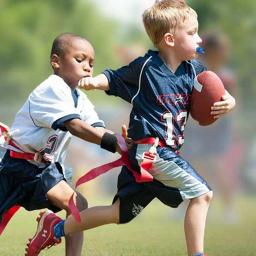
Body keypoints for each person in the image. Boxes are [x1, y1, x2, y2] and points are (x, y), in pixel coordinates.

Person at [26, 1, 236, 256]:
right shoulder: (147, 67)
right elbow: (114, 77)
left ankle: (55, 228)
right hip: (152, 153)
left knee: (119, 214)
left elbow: (220, 94)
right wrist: (94, 82)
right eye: (192, 33)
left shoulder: (194, 71)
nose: (199, 38)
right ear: (170, 39)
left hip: (162, 157)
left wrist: (229, 102)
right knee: (203, 194)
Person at [0, 33, 121, 256]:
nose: (87, 67)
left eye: (91, 63)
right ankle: (48, 223)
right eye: (80, 59)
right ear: (56, 61)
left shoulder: (80, 98)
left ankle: (54, 232)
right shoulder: (52, 87)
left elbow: (97, 128)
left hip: (42, 171)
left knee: (77, 205)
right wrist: (114, 144)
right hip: (14, 167)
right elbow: (75, 126)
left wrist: (124, 142)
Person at [181, 31, 241, 223]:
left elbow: (232, 104)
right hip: (198, 126)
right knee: (194, 166)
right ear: (212, 51)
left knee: (217, 166)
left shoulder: (227, 77)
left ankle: (229, 209)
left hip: (219, 126)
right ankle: (186, 206)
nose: (225, 52)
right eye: (221, 48)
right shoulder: (198, 71)